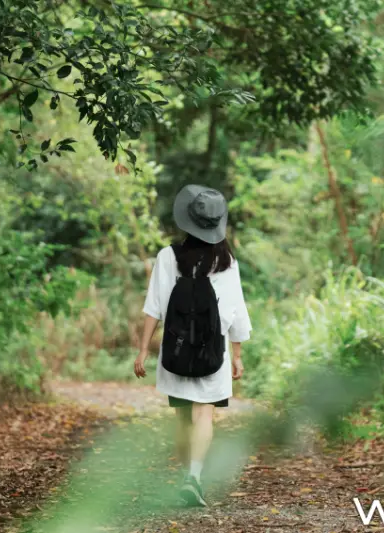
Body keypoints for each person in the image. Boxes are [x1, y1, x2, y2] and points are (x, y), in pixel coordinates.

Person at [133, 184, 252, 507]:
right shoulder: (227, 261)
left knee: (183, 417)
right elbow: (236, 311)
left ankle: (187, 477)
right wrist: (237, 355)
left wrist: (143, 349)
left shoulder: (167, 257)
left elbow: (154, 308)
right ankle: (193, 477)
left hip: (176, 350)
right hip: (214, 353)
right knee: (204, 415)